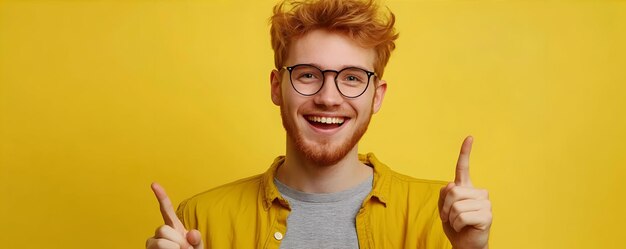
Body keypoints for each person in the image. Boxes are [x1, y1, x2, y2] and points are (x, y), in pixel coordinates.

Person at [145, 0, 492, 248]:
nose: (328, 97)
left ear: (377, 95)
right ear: (276, 87)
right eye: (308, 74)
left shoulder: (437, 215)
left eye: (353, 78)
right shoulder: (200, 218)